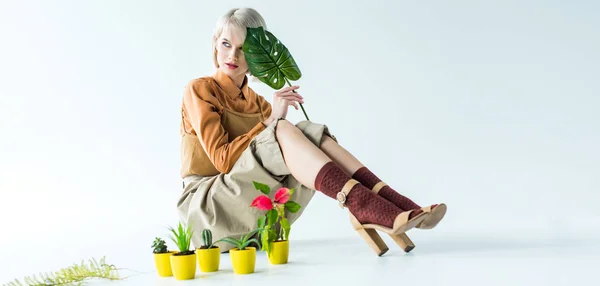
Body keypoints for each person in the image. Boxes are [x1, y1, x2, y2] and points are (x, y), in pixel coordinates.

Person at [177, 7, 446, 256]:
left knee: (308, 131)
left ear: (257, 57)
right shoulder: (200, 90)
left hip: (252, 210)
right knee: (282, 126)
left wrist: (272, 120)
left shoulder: (258, 103)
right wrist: (271, 121)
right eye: (225, 44)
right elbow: (222, 161)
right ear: (215, 44)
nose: (232, 56)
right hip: (209, 210)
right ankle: (362, 204)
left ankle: (390, 201)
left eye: (243, 49)